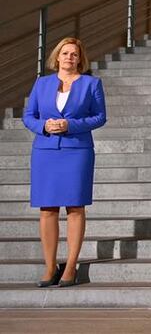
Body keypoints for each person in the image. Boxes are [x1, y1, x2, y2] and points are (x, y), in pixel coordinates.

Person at [22, 37, 106, 288]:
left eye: (74, 54)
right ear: (57, 57)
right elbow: (29, 116)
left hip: (77, 151)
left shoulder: (91, 84)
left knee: (75, 207)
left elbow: (100, 117)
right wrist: (43, 126)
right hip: (45, 151)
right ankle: (50, 266)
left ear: (80, 59)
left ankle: (70, 265)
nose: (69, 57)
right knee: (47, 208)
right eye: (65, 53)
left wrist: (70, 125)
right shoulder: (42, 83)